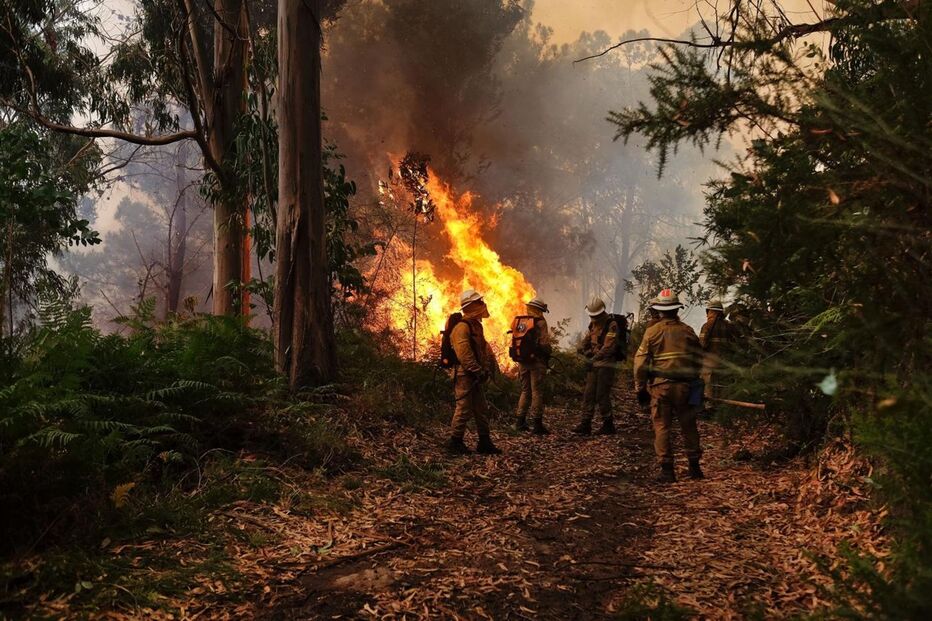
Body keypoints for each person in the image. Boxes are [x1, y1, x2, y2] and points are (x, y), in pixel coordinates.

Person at [633, 289, 704, 482]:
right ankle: (695, 467)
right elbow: (699, 358)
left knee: (662, 426)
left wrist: (640, 388)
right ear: (676, 309)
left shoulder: (652, 332)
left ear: (658, 310)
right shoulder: (688, 331)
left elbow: (640, 363)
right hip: (685, 388)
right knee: (688, 425)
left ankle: (667, 471)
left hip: (660, 388)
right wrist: (694, 379)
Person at [446, 289, 502, 455]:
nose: (482, 305)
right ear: (470, 306)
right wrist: (477, 370)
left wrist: (489, 368)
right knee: (463, 408)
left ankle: (484, 442)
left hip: (475, 375)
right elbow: (464, 354)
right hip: (464, 375)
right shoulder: (462, 328)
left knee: (481, 408)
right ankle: (455, 442)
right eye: (478, 302)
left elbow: (483, 348)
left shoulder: (476, 326)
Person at [572, 296, 621, 436]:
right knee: (588, 394)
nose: (594, 318)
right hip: (594, 363)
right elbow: (588, 338)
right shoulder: (593, 323)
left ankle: (608, 424)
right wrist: (582, 348)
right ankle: (585, 423)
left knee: (601, 395)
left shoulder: (611, 325)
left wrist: (593, 358)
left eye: (596, 315)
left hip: (606, 364)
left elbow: (609, 348)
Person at [514, 297, 552, 434]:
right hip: (536, 362)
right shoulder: (541, 322)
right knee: (537, 392)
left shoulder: (521, 321)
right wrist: (549, 352)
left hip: (522, 362)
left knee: (525, 391)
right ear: (540, 310)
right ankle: (537, 425)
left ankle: (520, 422)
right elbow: (544, 343)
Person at [699, 299, 734, 413]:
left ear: (710, 311)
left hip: (710, 361)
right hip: (726, 361)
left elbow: (702, 344)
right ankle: (723, 407)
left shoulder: (707, 326)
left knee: (708, 383)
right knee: (723, 384)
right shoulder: (729, 326)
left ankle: (710, 407)